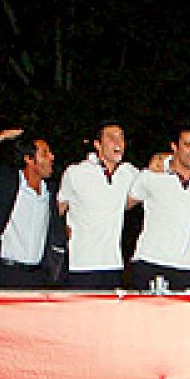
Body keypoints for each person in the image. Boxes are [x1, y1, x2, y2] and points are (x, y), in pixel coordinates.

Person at [127, 125, 190, 291]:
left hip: (187, 267)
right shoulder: (151, 175)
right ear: (174, 147)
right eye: (188, 145)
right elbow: (124, 205)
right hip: (149, 262)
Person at [57, 121, 138, 291]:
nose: (118, 143)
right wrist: (62, 231)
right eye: (111, 138)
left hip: (113, 265)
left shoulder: (129, 173)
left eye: (121, 138)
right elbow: (58, 208)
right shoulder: (76, 172)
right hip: (80, 265)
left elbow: (150, 185)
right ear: (97, 145)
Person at [0, 139, 58, 288]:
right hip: (6, 274)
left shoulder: (51, 193)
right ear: (28, 158)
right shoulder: (8, 183)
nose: (51, 157)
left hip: (38, 277)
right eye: (45, 153)